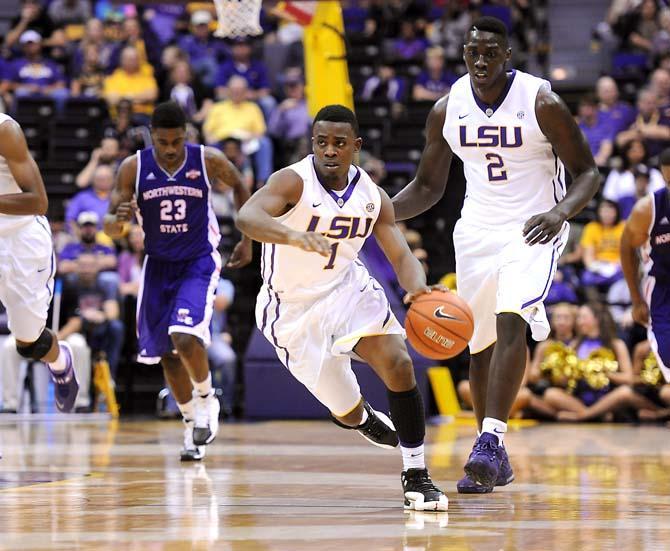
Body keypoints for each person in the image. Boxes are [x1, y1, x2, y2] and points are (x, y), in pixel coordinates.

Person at [391, 17, 600, 493]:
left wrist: (560, 212)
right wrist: (375, 211)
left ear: (508, 56)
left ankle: (490, 438)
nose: (481, 61)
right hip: (476, 231)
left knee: (511, 318)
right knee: (478, 340)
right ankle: (495, 459)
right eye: (472, 52)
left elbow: (587, 172)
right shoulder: (448, 109)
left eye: (490, 52)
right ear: (463, 55)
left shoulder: (541, 101)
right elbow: (427, 188)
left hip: (535, 226)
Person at [236, 104, 448, 512]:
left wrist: (418, 289)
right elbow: (248, 216)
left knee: (398, 363)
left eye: (338, 143)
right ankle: (362, 419)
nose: (329, 151)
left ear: (356, 146)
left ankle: (416, 474)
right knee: (347, 411)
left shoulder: (372, 195)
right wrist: (292, 237)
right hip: (292, 309)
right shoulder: (293, 181)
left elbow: (401, 255)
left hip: (348, 291)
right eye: (321, 142)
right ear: (312, 143)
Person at [104, 101, 252, 461]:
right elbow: (111, 224)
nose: (171, 150)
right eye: (163, 142)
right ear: (151, 137)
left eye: (177, 141)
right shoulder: (133, 168)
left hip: (198, 260)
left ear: (186, 136)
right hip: (156, 264)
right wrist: (118, 221)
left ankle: (207, 401)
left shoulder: (207, 159)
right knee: (166, 355)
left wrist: (248, 239)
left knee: (184, 337)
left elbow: (239, 184)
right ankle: (191, 428)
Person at [0, 112, 79, 413]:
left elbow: (38, 201)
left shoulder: (6, 130)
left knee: (29, 343)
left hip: (20, 238)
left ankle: (61, 363)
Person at [620, 147, 670, 383]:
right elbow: (626, 246)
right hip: (662, 287)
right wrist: (636, 298)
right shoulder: (648, 209)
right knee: (667, 352)